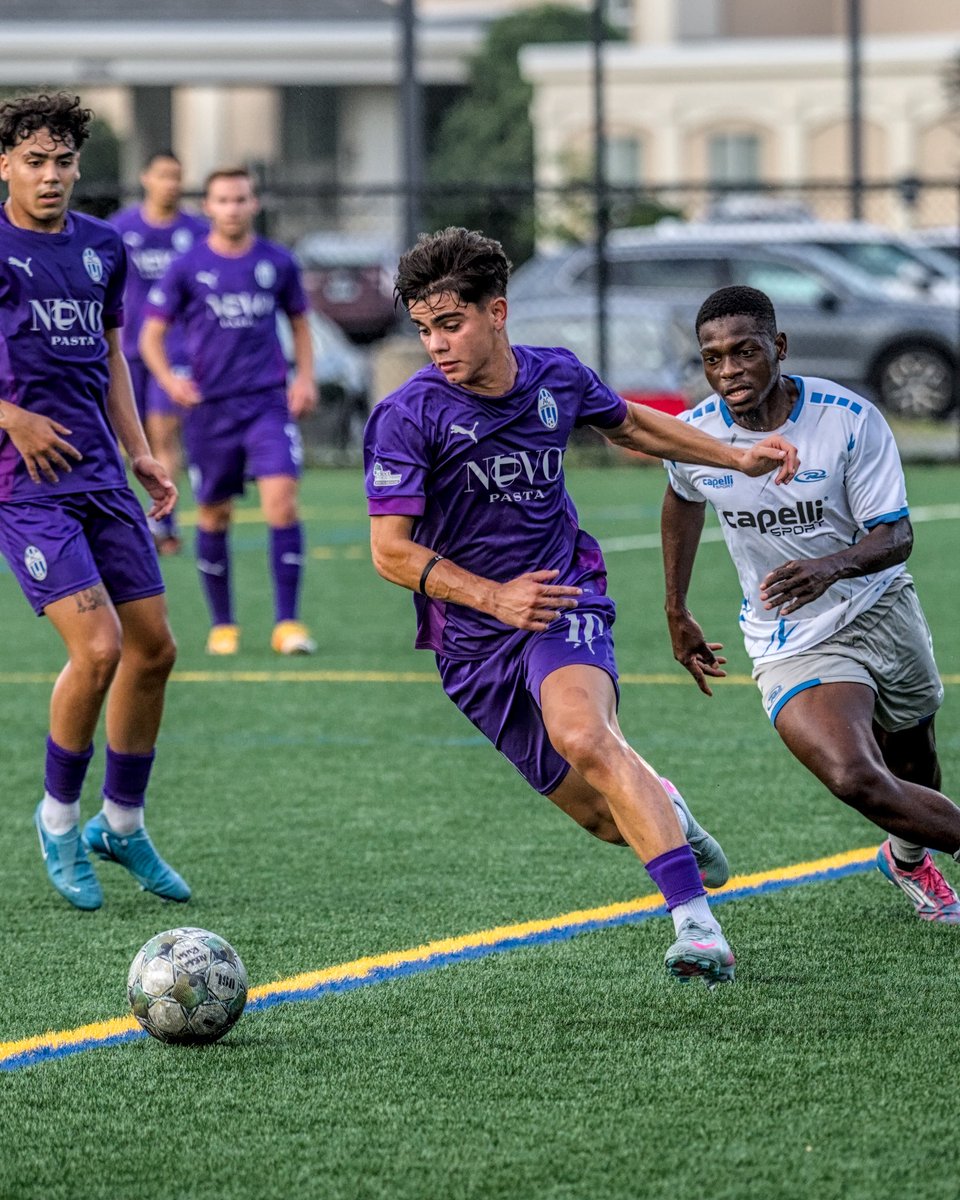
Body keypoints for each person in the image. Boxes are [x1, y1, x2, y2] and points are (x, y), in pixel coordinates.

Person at [363, 228, 800, 986]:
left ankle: (698, 930)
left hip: (565, 596)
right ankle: (672, 812)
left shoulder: (555, 378)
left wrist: (734, 455)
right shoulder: (408, 416)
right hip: (473, 641)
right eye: (425, 329)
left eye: (451, 324)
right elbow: (389, 551)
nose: (436, 344)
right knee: (602, 817)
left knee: (584, 734)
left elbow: (628, 422)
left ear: (496, 312)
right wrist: (491, 596)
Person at [661, 284, 960, 923]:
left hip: (880, 605)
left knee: (914, 762)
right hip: (788, 632)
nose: (729, 371)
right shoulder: (698, 435)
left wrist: (831, 567)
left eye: (745, 352)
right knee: (855, 774)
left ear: (780, 347)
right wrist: (675, 608)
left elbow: (897, 536)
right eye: (713, 358)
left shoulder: (848, 418)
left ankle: (907, 862)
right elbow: (682, 497)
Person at [0, 92, 189, 911]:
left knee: (154, 649)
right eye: (34, 161)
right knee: (100, 648)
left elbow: (113, 355)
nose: (50, 176)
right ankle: (57, 818)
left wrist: (141, 449)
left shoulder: (102, 246)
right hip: (24, 484)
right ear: (4, 163)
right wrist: (12, 417)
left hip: (102, 477)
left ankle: (122, 823)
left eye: (63, 161)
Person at [140, 167, 318, 657]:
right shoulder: (186, 265)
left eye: (241, 199)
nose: (233, 207)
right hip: (210, 411)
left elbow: (300, 323)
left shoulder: (277, 262)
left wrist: (304, 377)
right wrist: (169, 379)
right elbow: (149, 334)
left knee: (282, 502)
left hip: (266, 403)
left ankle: (288, 623)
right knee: (214, 515)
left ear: (253, 204)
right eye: (222, 200)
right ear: (210, 207)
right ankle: (223, 625)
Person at [110, 152, 207, 556]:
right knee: (130, 440)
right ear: (146, 178)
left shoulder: (197, 232)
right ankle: (136, 518)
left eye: (178, 176)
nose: (171, 183)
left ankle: (166, 522)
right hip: (127, 349)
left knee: (163, 433)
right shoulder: (120, 229)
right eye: (164, 175)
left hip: (174, 349)